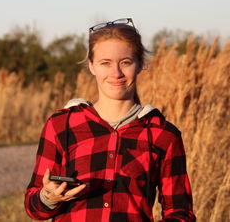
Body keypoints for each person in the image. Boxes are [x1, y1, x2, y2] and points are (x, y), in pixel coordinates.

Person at [24, 18, 196, 221]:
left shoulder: (163, 134)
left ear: (140, 64)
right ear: (91, 66)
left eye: (125, 62)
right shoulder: (62, 124)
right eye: (105, 63)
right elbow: (33, 208)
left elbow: (181, 213)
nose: (116, 73)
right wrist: (48, 197)